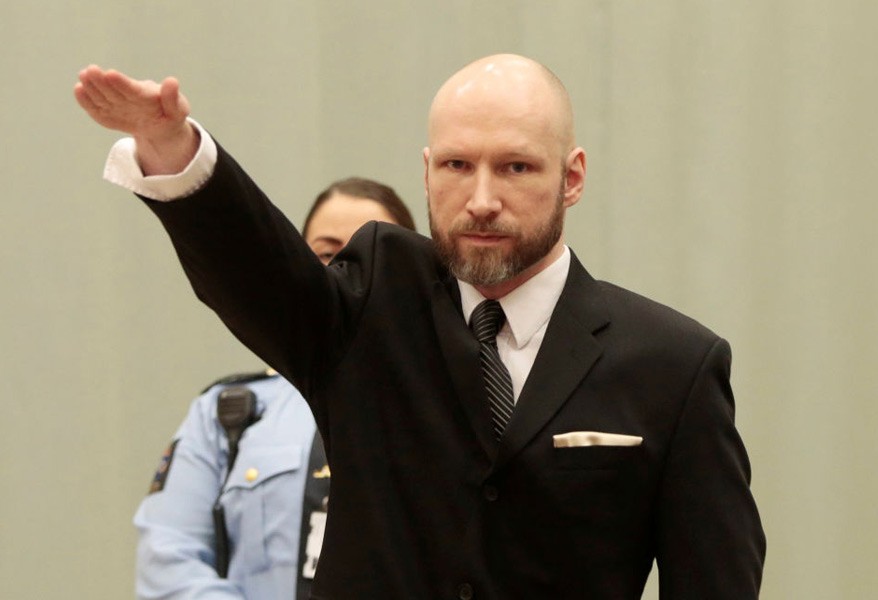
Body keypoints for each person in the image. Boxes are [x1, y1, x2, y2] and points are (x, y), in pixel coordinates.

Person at [75, 54, 766, 599]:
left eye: (517, 167)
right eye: (458, 166)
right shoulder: (373, 301)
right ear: (427, 170)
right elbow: (258, 272)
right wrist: (173, 148)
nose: (483, 199)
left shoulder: (673, 365)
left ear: (573, 177)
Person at [133, 178, 416, 600]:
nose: (343, 274)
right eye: (325, 253)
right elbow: (168, 561)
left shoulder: (440, 409)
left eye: (368, 257)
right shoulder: (230, 413)